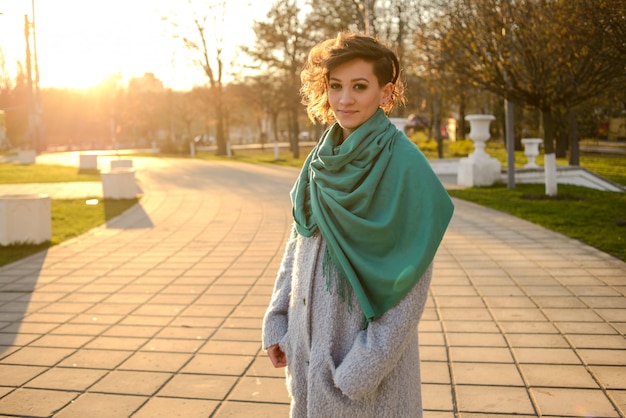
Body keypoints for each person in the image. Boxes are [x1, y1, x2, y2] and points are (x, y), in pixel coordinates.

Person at [262, 32, 454, 417]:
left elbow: (408, 288)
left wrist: (358, 372)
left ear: (385, 93)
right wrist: (279, 319)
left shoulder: (404, 167)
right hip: (307, 362)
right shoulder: (321, 158)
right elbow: (298, 242)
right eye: (335, 86)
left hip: (365, 381)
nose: (344, 99)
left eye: (359, 87)